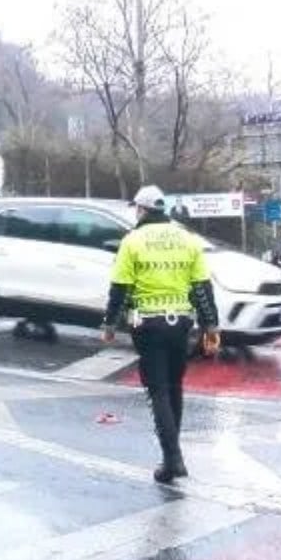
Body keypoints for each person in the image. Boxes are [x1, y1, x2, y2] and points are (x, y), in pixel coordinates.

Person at [101, 185, 221, 484]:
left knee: (158, 391)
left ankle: (172, 460)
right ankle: (174, 455)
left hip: (148, 325)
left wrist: (110, 324)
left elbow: (121, 288)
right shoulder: (187, 239)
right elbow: (201, 288)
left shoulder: (132, 241)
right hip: (181, 324)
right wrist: (211, 325)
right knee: (175, 387)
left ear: (141, 210)